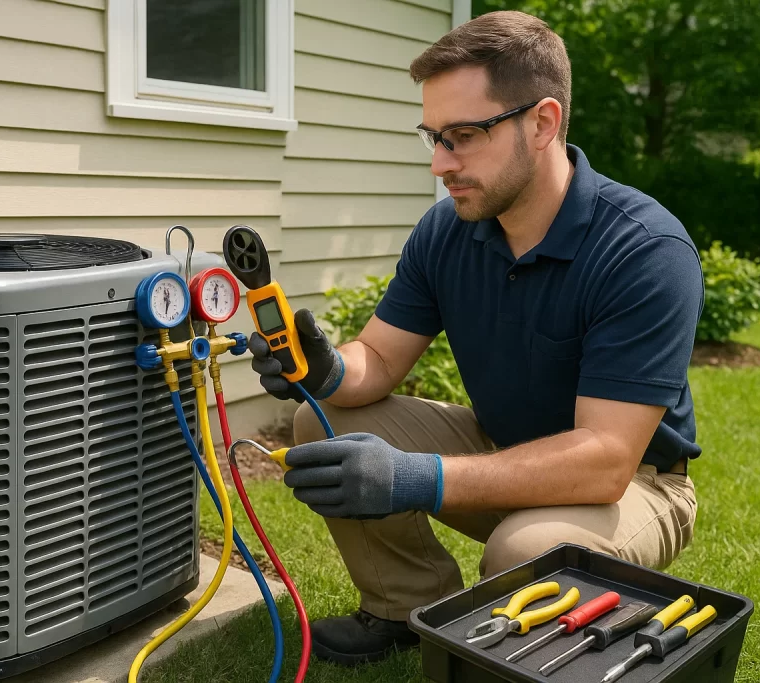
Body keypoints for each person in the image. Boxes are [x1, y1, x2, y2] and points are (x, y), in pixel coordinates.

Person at [248, 9, 704, 668]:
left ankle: (505, 630)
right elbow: (376, 358)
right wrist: (323, 370)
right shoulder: (447, 231)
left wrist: (418, 477)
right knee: (325, 419)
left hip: (638, 483)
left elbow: (606, 458)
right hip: (504, 446)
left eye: (462, 135)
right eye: (432, 136)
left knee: (524, 550)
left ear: (542, 122)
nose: (439, 163)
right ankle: (406, 607)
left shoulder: (643, 250)